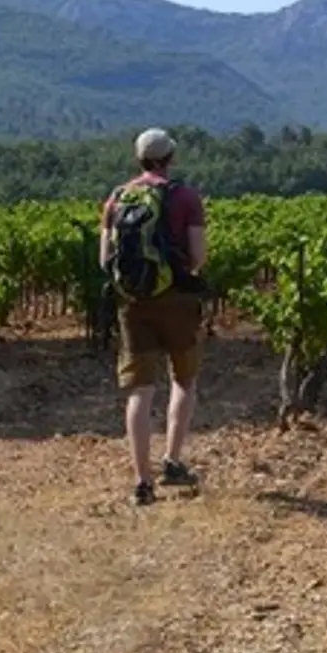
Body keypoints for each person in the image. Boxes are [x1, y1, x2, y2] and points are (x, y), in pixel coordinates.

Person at [99, 128, 208, 506]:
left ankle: (142, 482)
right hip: (176, 299)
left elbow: (104, 260)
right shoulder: (185, 197)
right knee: (184, 379)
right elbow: (197, 259)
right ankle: (173, 461)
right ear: (170, 158)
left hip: (133, 303)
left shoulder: (117, 198)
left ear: (139, 159)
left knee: (140, 390)